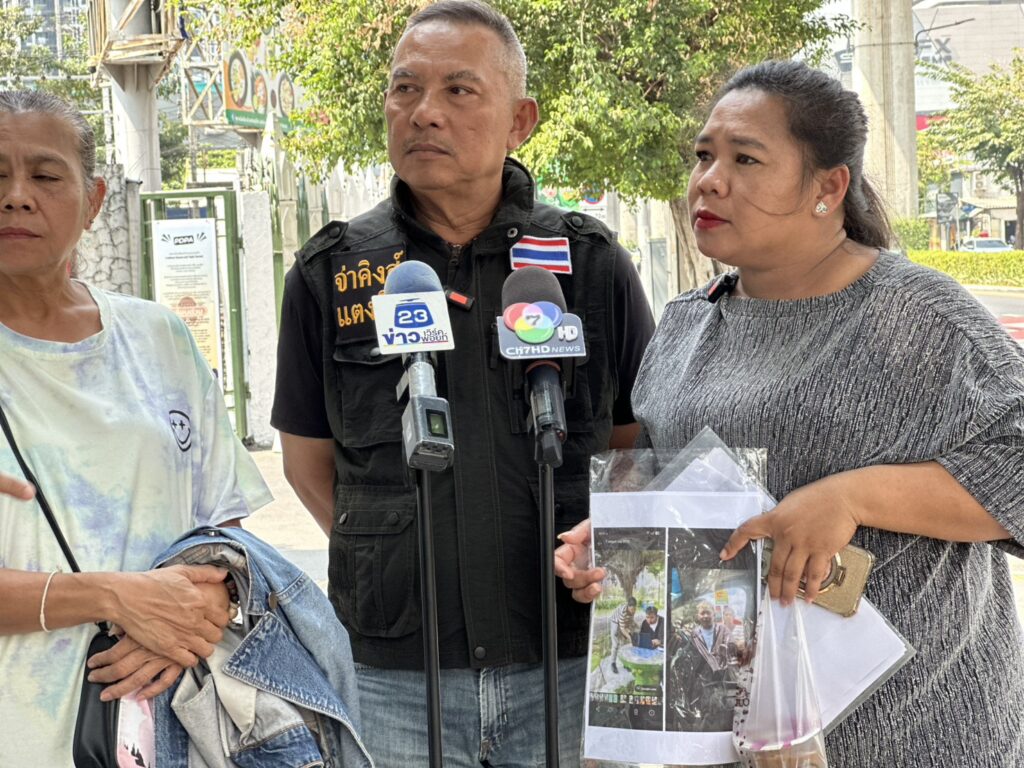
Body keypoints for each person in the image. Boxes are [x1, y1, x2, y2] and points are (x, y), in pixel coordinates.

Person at [557, 59, 1024, 766]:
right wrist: (626, 541)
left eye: (745, 159)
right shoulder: (685, 324)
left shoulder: (921, 319)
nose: (710, 180)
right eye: (704, 156)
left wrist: (852, 498)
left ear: (827, 188)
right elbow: (683, 485)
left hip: (910, 734)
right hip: (726, 737)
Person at [270, 1, 654, 764]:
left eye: (459, 90)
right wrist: (399, 562)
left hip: (568, 657)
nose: (424, 113)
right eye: (405, 89)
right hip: (393, 675)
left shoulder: (589, 264)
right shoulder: (332, 272)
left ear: (520, 121)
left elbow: (633, 445)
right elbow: (308, 463)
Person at [0, 90, 272, 766]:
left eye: (45, 175)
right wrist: (117, 598)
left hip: (172, 726)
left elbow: (223, 529)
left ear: (93, 200)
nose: (16, 197)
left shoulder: (158, 337)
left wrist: (192, 614)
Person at [668, 601, 733, 732]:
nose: (705, 616)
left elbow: (731, 648)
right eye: (702, 613)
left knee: (717, 712)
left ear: (713, 614)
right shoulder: (694, 633)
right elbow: (690, 652)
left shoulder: (723, 630)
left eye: (708, 613)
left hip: (719, 678)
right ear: (698, 616)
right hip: (700, 681)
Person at [608, 596, 638, 673]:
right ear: (628, 606)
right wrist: (630, 638)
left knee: (624, 644)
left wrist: (632, 630)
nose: (633, 611)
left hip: (623, 623)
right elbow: (622, 629)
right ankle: (613, 663)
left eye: (634, 609)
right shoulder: (623, 612)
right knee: (615, 644)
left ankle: (625, 663)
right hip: (615, 622)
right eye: (632, 609)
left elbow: (630, 621)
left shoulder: (632, 610)